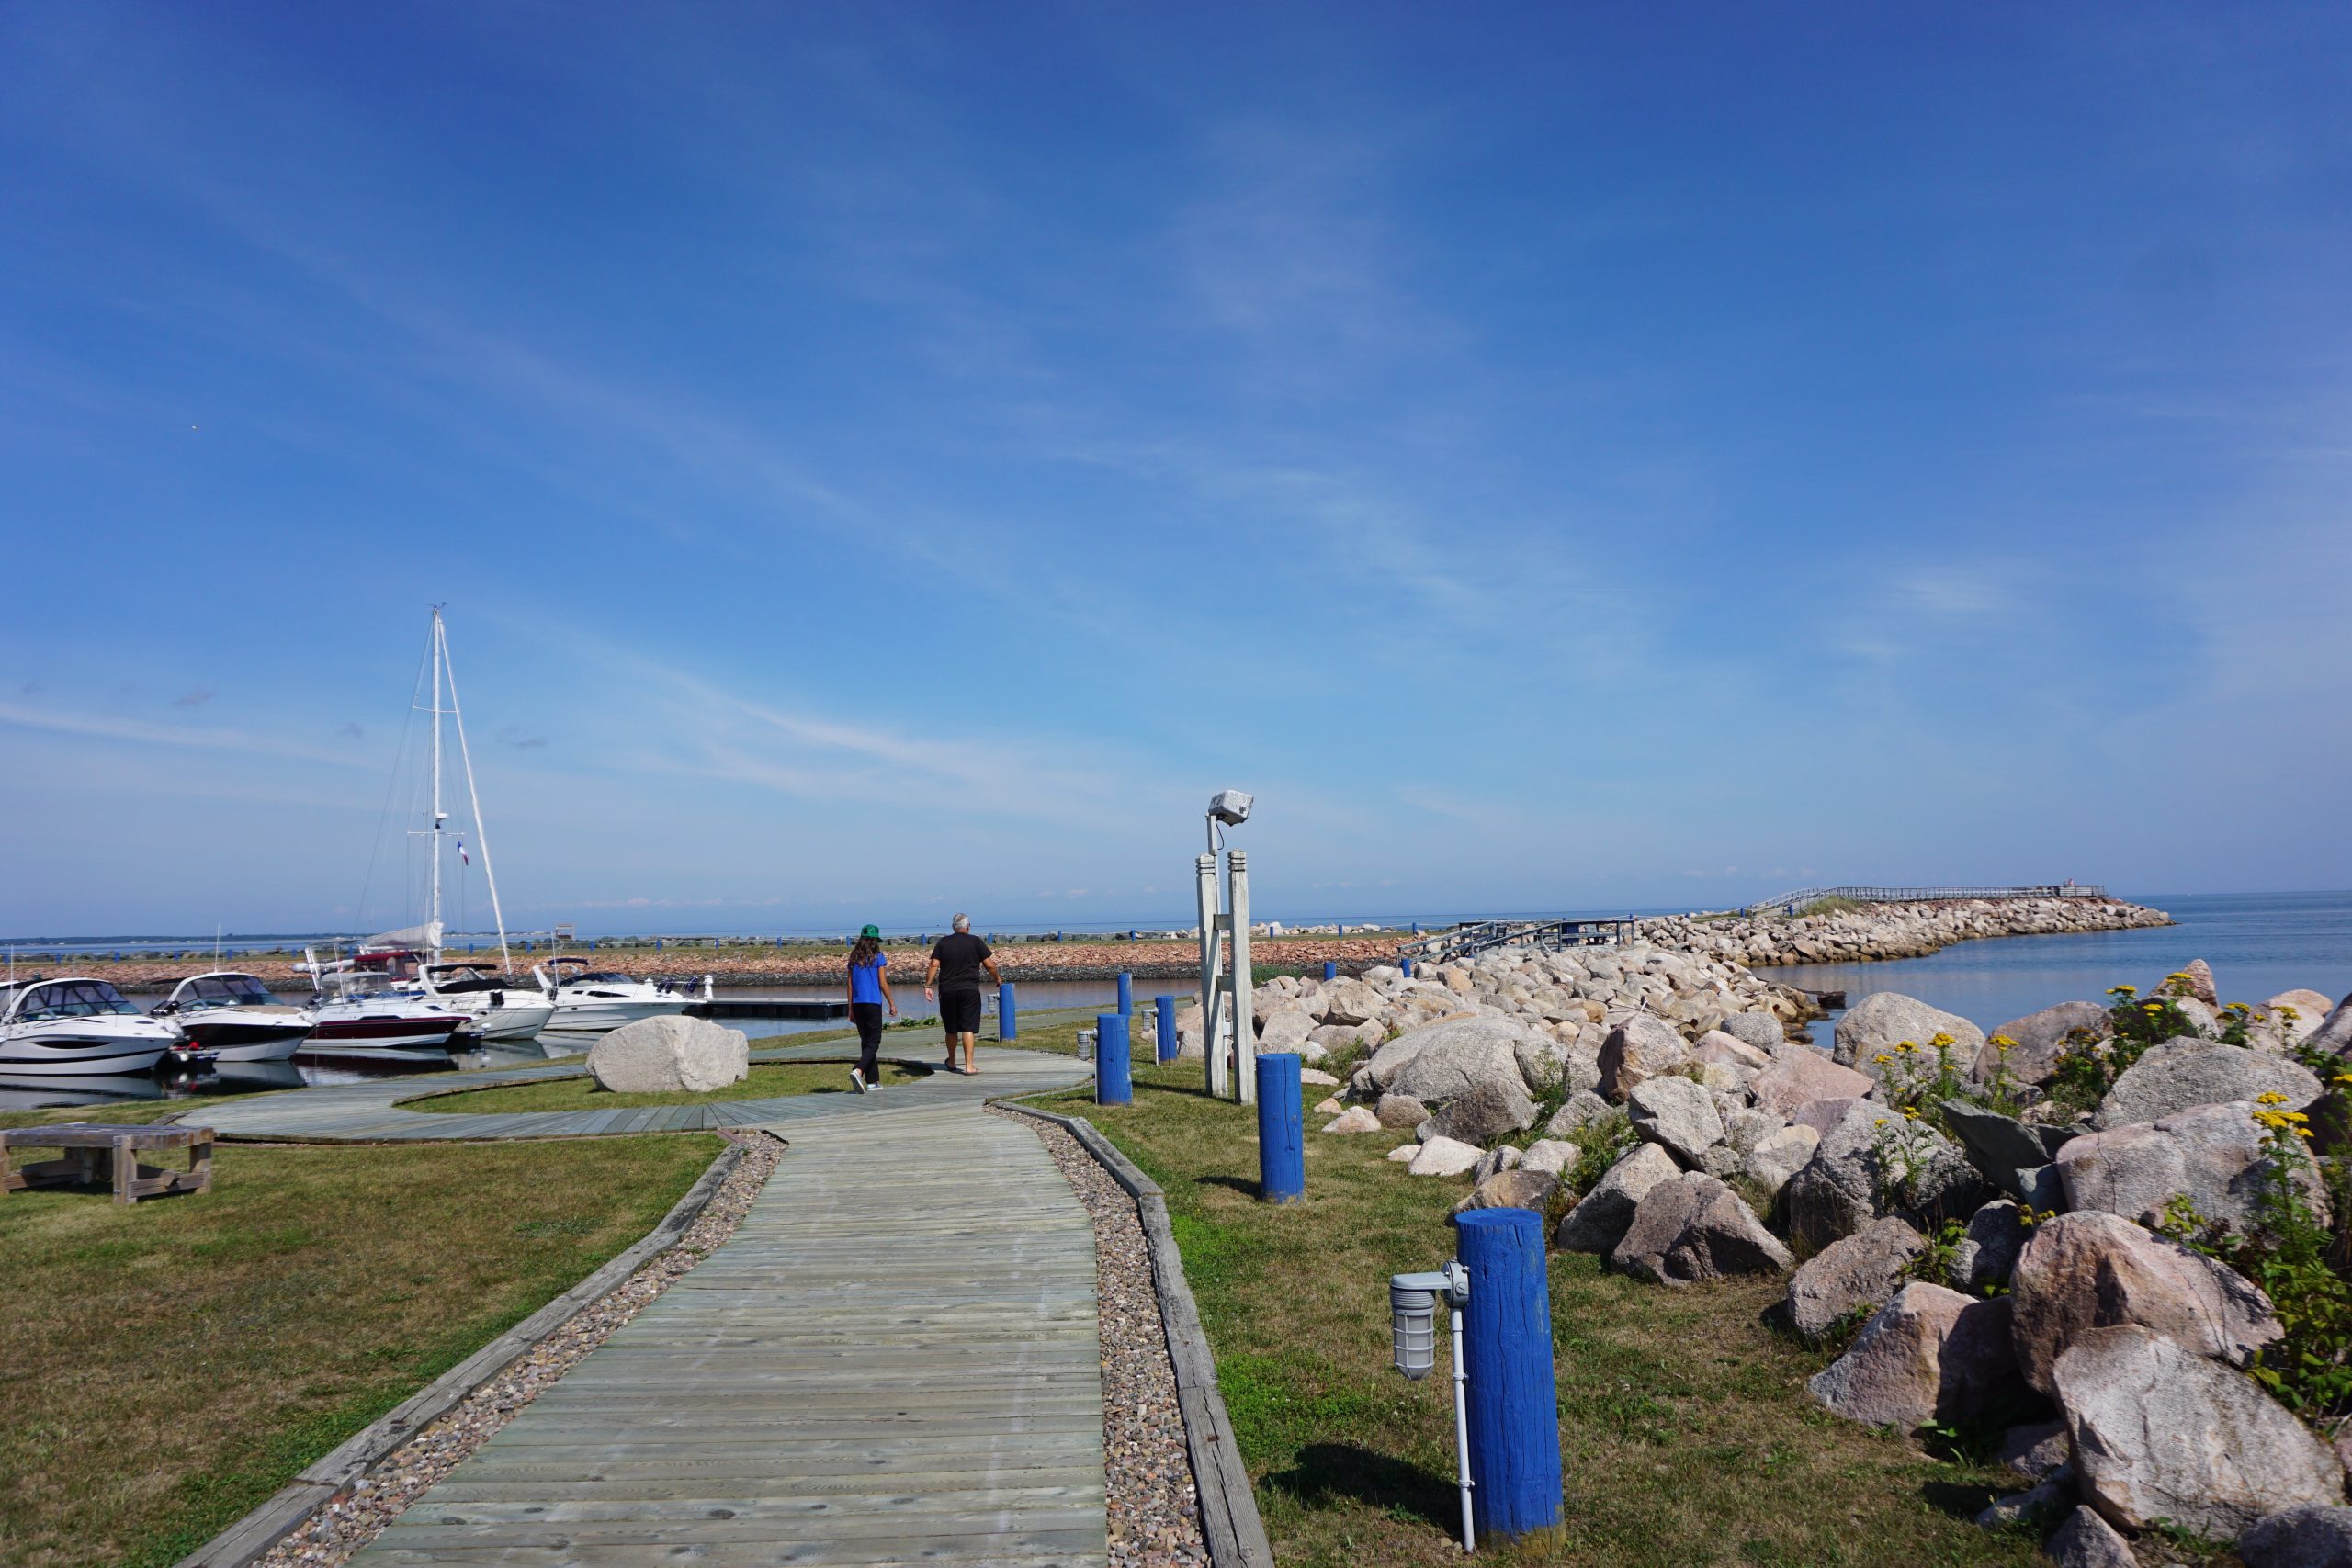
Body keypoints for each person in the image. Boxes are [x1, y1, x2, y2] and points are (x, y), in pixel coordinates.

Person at [925, 913, 1001, 1076]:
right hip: (969, 990)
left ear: (953, 927)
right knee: (968, 1027)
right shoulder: (975, 942)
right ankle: (969, 1066)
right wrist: (998, 978)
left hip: (947, 991)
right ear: (968, 926)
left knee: (951, 1029)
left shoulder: (943, 943)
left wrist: (928, 985)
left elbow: (933, 965)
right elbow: (989, 964)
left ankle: (951, 1060)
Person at [845, 925, 896, 1093]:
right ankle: (858, 1070)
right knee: (874, 1041)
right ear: (875, 940)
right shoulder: (878, 957)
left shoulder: (853, 958)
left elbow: (850, 985)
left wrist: (850, 1008)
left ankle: (873, 1082)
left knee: (867, 1042)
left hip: (858, 1004)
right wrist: (892, 1003)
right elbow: (882, 983)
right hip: (872, 1003)